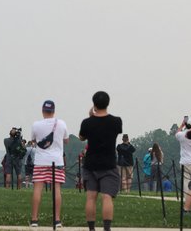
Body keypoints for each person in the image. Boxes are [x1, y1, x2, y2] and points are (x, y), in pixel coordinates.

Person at [79, 91, 123, 231]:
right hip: (108, 163)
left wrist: (91, 116)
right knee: (107, 197)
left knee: (91, 197)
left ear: (94, 104)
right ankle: (106, 228)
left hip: (91, 163)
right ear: (108, 103)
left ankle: (91, 228)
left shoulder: (87, 122)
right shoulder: (116, 121)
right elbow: (117, 131)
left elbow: (81, 137)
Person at [29, 100, 69, 228]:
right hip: (56, 161)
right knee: (56, 189)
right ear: (54, 111)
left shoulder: (36, 125)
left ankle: (34, 219)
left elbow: (33, 140)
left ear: (42, 110)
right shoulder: (61, 124)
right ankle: (57, 220)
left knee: (37, 189)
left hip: (40, 161)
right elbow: (66, 140)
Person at [175, 116, 191, 199]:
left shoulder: (182, 135)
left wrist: (181, 125)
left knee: (186, 180)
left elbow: (176, 133)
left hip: (185, 161)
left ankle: (187, 198)